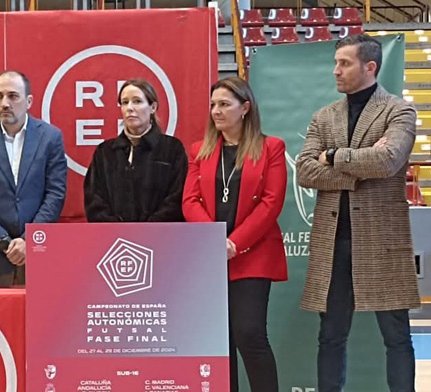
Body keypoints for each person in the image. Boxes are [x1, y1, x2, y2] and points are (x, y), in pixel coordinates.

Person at [296, 34, 419, 392]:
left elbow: (387, 160)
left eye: (344, 63)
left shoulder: (399, 110)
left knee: (396, 337)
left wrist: (333, 157)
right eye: (335, 63)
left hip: (383, 241)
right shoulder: (324, 116)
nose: (336, 71)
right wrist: (360, 169)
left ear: (370, 67)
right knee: (330, 336)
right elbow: (305, 171)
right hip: (333, 242)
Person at [182, 77, 287, 392]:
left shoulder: (271, 147)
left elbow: (271, 203)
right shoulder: (199, 150)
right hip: (211, 257)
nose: (216, 111)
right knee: (218, 341)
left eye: (224, 104)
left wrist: (234, 243)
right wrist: (214, 241)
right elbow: (190, 201)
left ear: (245, 108)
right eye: (213, 104)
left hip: (253, 254)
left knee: (250, 334)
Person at [0, 70, 67, 287]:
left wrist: (29, 240)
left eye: (13, 96)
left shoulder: (50, 137)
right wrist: (4, 242)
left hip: (39, 251)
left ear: (28, 101)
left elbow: (55, 194)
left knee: (40, 319)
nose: (5, 103)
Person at [83, 79, 186, 222]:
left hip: (161, 237)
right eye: (125, 102)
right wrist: (118, 229)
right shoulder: (105, 152)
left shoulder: (172, 148)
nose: (130, 108)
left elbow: (177, 197)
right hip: (113, 238)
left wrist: (147, 229)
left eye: (137, 101)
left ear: (153, 107)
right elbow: (94, 199)